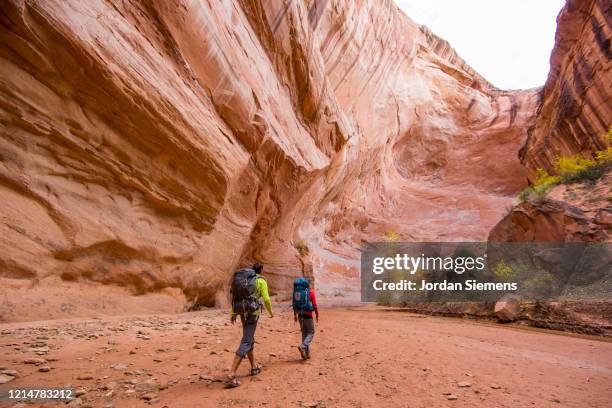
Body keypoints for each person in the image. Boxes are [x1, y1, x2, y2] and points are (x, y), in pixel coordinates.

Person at [225, 263, 273, 388]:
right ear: (261, 270)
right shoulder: (261, 281)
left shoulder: (246, 280)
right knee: (246, 341)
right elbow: (267, 299)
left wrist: (233, 313)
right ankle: (231, 374)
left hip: (242, 312)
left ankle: (254, 367)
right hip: (253, 314)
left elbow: (236, 298)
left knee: (249, 338)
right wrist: (271, 313)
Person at [293, 279, 318, 360]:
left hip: (300, 314)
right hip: (308, 315)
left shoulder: (298, 292)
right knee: (311, 332)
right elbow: (314, 304)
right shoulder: (311, 292)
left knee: (304, 333)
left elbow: (294, 303)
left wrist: (295, 315)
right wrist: (317, 314)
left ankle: (306, 354)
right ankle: (303, 346)